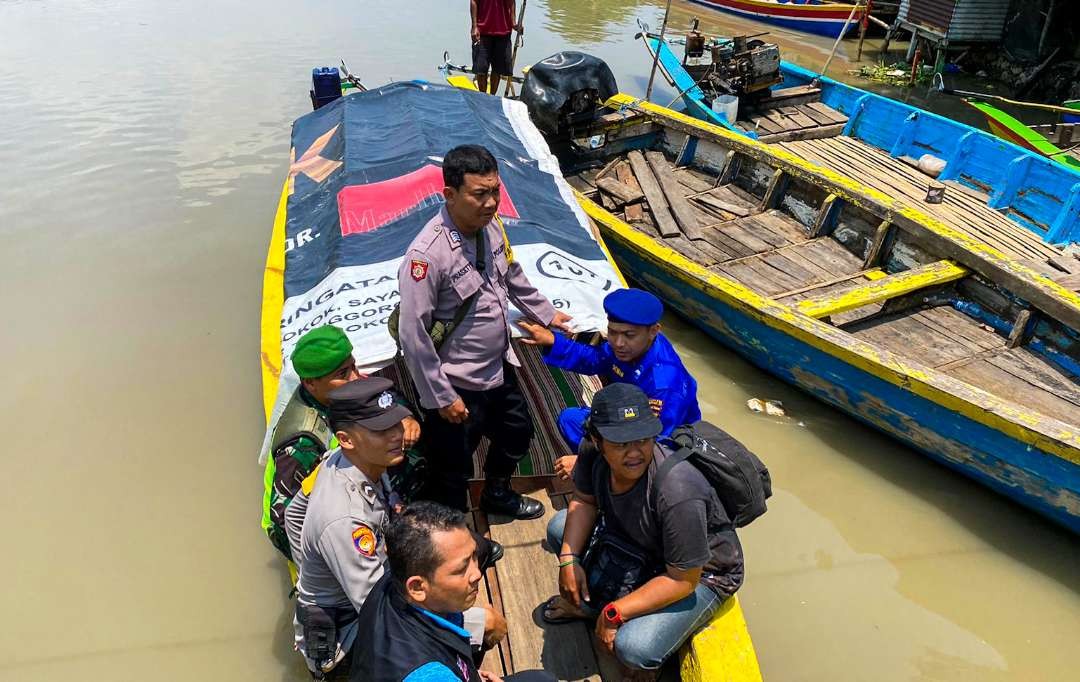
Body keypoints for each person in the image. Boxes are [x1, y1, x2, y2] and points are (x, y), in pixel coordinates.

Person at [397, 144, 571, 518]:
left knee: (517, 431)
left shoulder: (492, 228)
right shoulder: (426, 257)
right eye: (480, 194)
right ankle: (456, 532)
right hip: (456, 381)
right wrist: (441, 396)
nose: (492, 202)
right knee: (452, 466)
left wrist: (545, 313)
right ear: (450, 194)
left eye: (495, 191)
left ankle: (497, 493)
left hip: (497, 367)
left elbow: (511, 274)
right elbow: (413, 335)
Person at [293, 379, 502, 679]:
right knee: (486, 624)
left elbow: (294, 514)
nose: (397, 435)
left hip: (376, 585)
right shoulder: (344, 521)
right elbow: (379, 609)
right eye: (381, 431)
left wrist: (313, 569)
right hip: (351, 632)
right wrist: (475, 624)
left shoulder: (346, 461)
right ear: (346, 438)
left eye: (395, 424)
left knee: (474, 551)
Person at [543, 384, 743, 673]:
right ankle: (592, 607)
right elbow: (585, 500)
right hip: (640, 542)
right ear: (596, 440)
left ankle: (607, 616)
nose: (634, 453)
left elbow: (683, 579)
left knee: (633, 648)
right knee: (560, 530)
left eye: (642, 439)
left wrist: (614, 613)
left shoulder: (678, 491)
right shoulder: (591, 450)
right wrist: (569, 559)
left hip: (699, 573)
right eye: (621, 443)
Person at [261, 324, 420, 560]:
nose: (355, 377)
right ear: (310, 384)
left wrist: (407, 417)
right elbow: (286, 521)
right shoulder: (302, 443)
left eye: (353, 366)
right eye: (343, 374)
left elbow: (384, 396)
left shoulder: (346, 389)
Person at [352, 502, 556, 682]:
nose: (477, 573)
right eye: (461, 569)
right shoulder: (427, 675)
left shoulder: (395, 576)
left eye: (473, 556)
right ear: (417, 587)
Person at [517, 288, 700, 480]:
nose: (618, 343)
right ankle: (601, 474)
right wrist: (553, 342)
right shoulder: (629, 347)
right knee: (570, 420)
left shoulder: (664, 384)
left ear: (654, 331)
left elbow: (656, 443)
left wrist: (585, 461)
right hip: (627, 417)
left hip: (659, 441)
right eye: (612, 333)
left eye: (629, 335)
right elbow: (596, 359)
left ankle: (603, 479)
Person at [470, 0, 520, 95]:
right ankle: (482, 97)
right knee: (481, 70)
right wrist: (474, 26)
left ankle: (492, 97)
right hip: (482, 32)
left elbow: (511, 2)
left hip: (503, 31)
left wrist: (514, 23)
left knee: (498, 70)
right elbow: (474, 2)